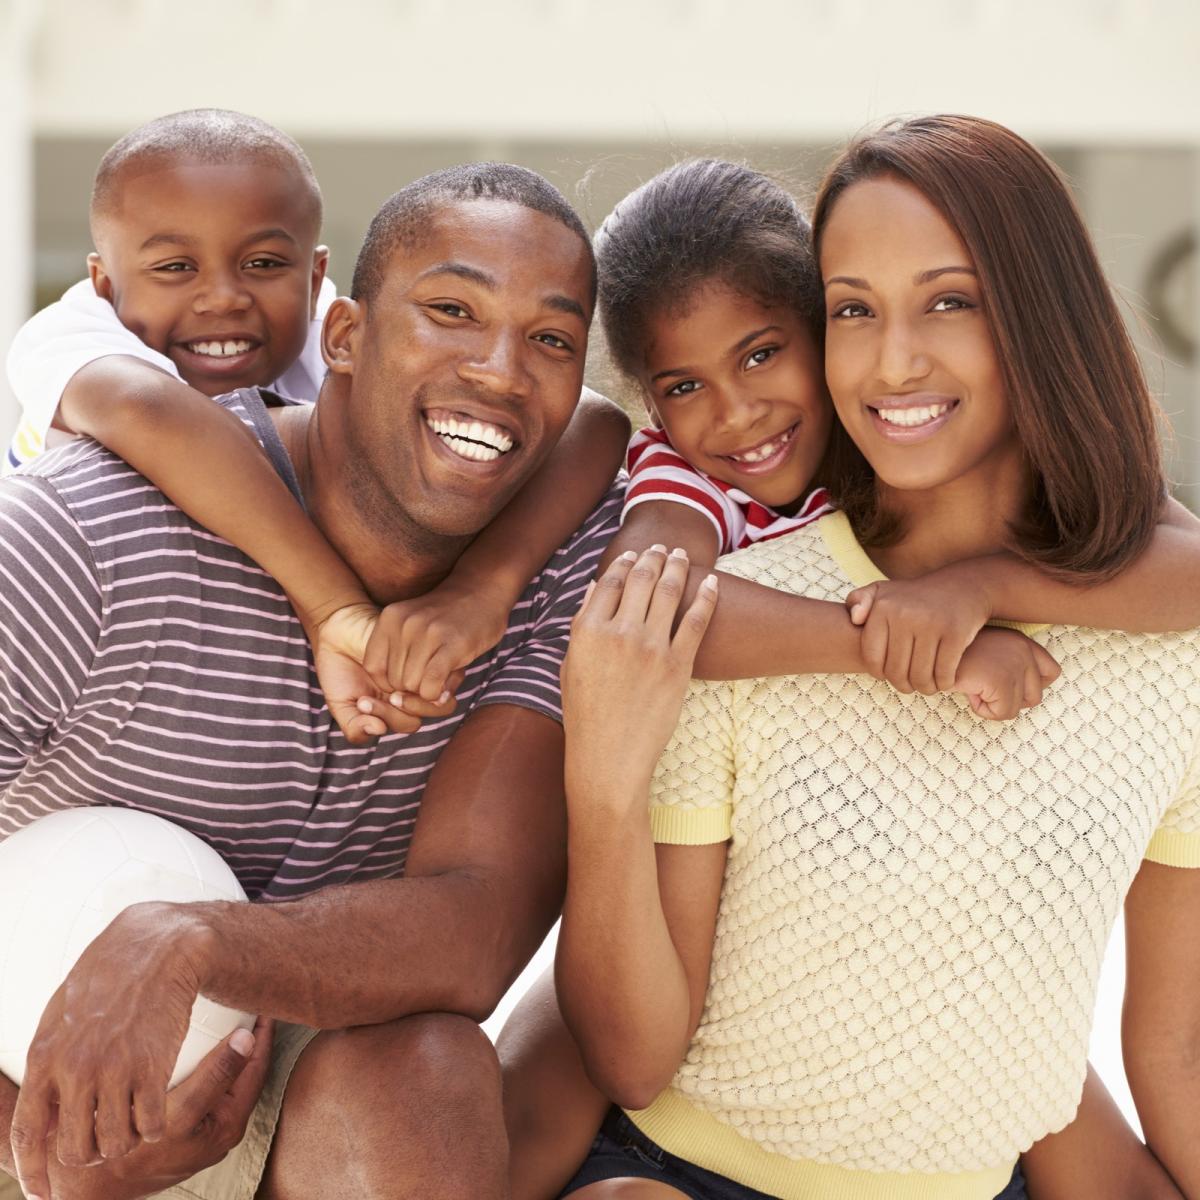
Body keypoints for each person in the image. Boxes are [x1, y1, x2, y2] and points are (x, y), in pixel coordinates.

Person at [500, 153, 1200, 1200]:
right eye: (860, 311)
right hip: (679, 1108)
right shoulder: (695, 494)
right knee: (547, 1087)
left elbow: (1183, 576)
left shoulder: (1137, 630)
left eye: (766, 353)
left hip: (958, 1139)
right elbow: (664, 614)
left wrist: (982, 587)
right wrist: (907, 642)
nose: (737, 413)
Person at [0, 161, 622, 1200]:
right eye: (451, 311)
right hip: (28, 1074)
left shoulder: (558, 557)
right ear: (343, 337)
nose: (502, 371)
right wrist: (39, 1134)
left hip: (293, 1093)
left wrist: (192, 943)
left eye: (550, 339)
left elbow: (477, 929)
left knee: (424, 1072)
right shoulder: (85, 539)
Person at [3, 109, 629, 731]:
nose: (224, 296)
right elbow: (162, 417)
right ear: (103, 283)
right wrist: (334, 609)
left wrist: (483, 590)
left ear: (316, 282)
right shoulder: (73, 339)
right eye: (174, 268)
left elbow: (594, 420)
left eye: (265, 264)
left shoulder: (336, 332)